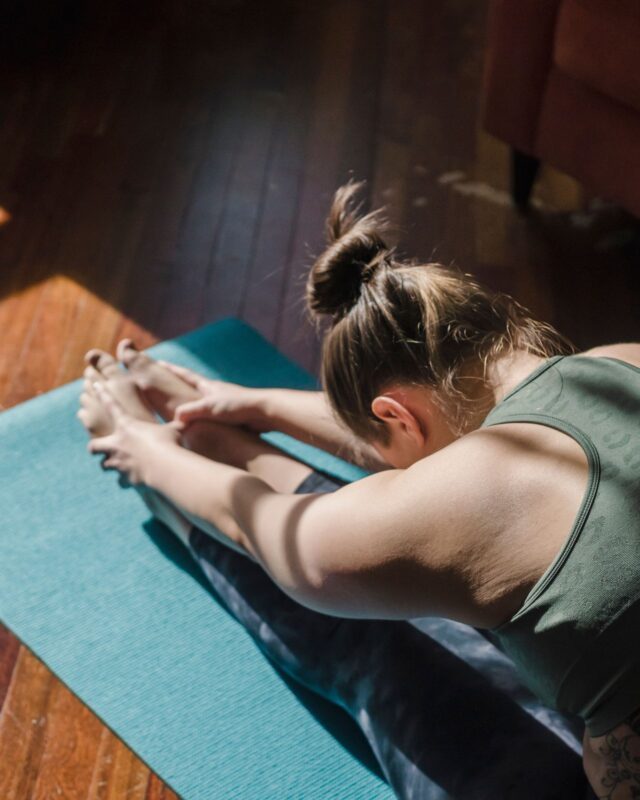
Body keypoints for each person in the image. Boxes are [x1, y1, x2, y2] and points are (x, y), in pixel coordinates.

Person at [78, 182, 640, 799]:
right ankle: (225, 444)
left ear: (396, 416)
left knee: (378, 644)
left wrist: (143, 452)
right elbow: (439, 435)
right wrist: (263, 406)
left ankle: (194, 480)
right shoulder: (619, 361)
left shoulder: (480, 494)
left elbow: (279, 537)